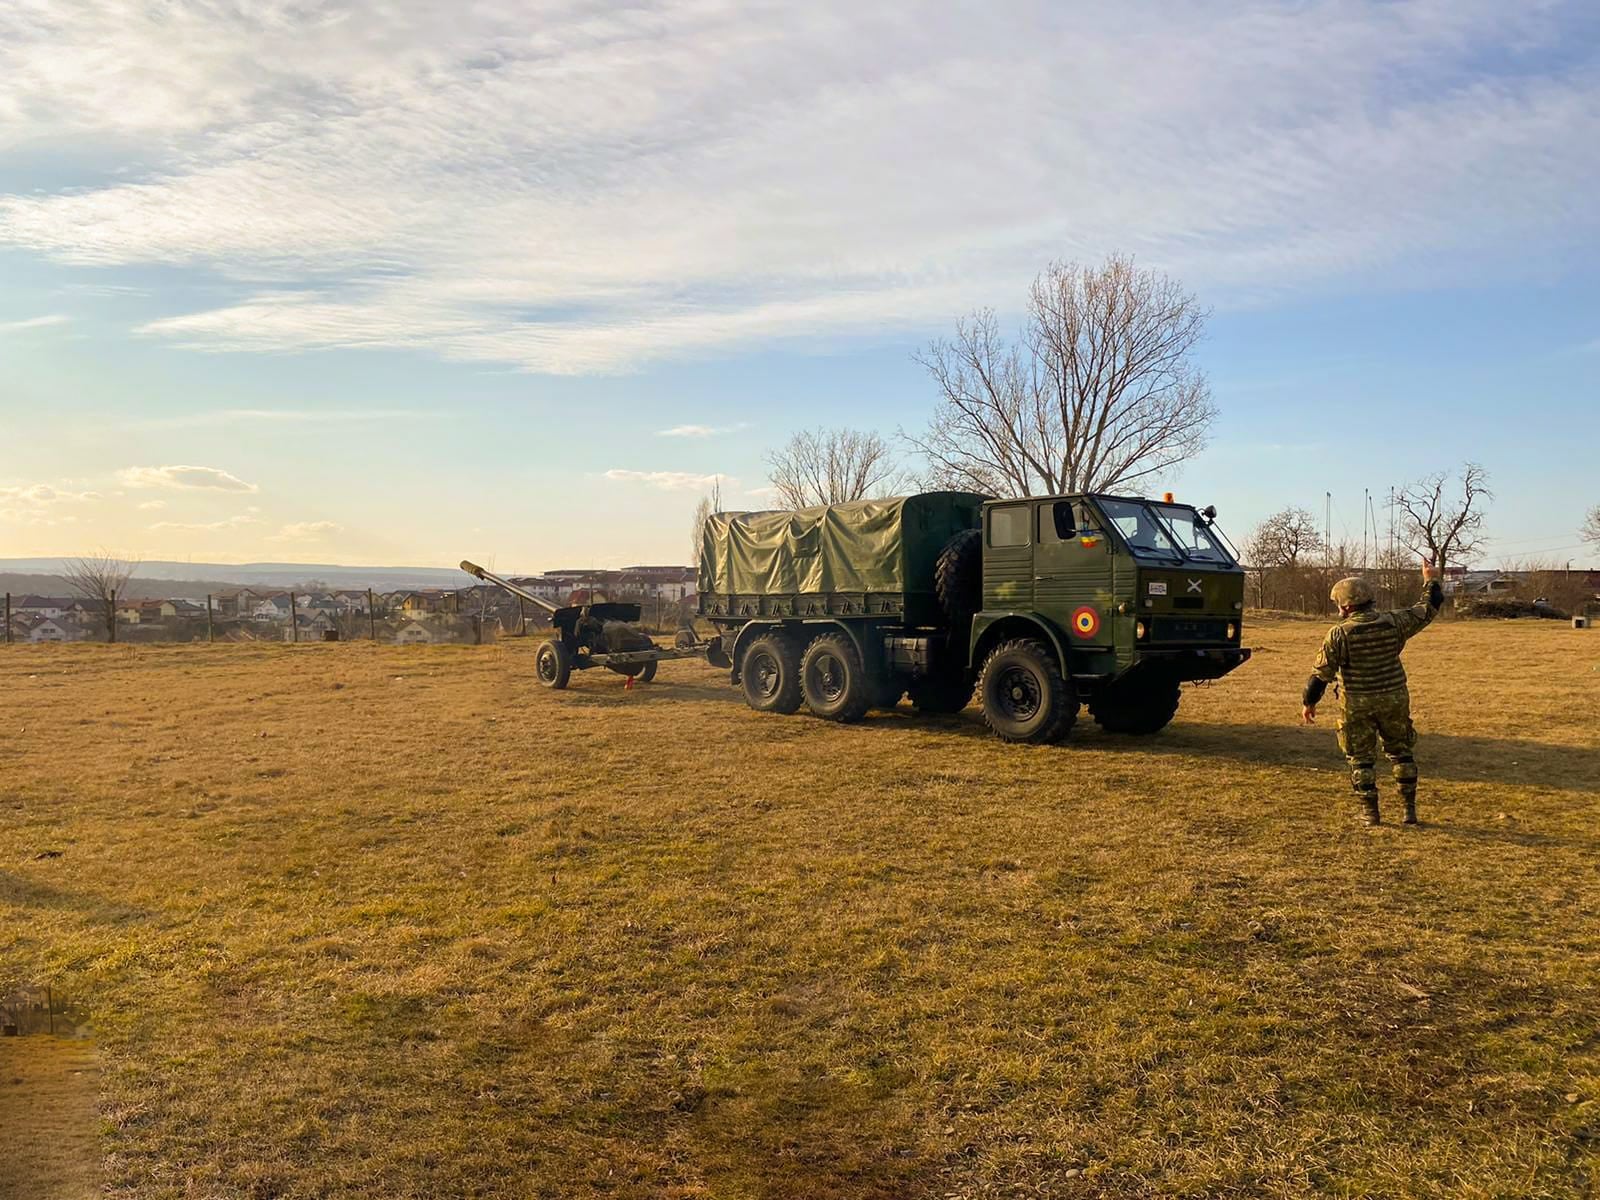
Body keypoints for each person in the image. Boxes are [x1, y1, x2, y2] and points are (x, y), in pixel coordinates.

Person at [1301, 567, 1445, 826]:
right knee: (1401, 753)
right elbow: (1429, 606)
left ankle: (1370, 814)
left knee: (1361, 759)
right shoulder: (1395, 621)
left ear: (1346, 606)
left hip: (1357, 703)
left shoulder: (1338, 634)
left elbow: (1320, 675)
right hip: (1394, 698)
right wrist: (1430, 579)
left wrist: (1309, 702)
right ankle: (1409, 811)